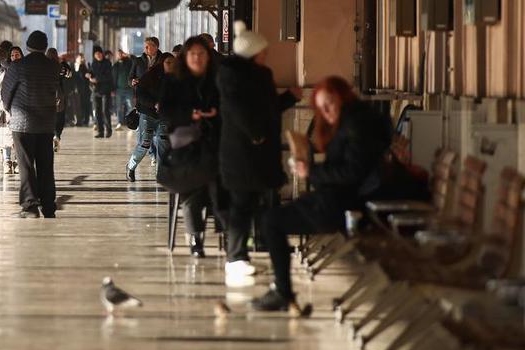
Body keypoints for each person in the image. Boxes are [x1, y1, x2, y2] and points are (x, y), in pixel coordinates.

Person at [252, 77, 392, 311]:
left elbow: (352, 172)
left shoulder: (355, 125)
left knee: (271, 222)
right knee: (271, 220)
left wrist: (311, 172)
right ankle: (282, 290)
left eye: (330, 104)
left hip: (344, 207)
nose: (326, 112)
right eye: (321, 108)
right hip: (343, 201)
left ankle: (283, 292)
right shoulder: (355, 121)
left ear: (342, 97)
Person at [215, 21, 302, 283]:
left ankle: (260, 244)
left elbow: (268, 108)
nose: (266, 55)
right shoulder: (232, 76)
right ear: (252, 52)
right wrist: (256, 134)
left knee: (258, 201)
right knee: (241, 204)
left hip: (260, 151)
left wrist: (289, 98)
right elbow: (238, 110)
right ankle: (235, 257)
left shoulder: (260, 74)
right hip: (241, 151)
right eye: (263, 51)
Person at [158, 37, 220, 257]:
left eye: (201, 53)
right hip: (185, 146)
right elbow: (165, 112)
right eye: (192, 54)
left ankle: (228, 234)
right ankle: (195, 236)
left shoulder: (216, 79)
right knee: (192, 186)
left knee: (219, 183)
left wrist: (214, 114)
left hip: (213, 143)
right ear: (185, 56)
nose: (197, 58)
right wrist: (189, 115)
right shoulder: (173, 81)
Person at [1, 31, 64, 218]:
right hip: (46, 123)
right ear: (45, 46)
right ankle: (48, 206)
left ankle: (30, 206)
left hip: (22, 124)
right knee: (46, 166)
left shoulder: (18, 66)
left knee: (26, 165)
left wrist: (11, 110)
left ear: (28, 46)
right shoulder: (53, 67)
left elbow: (6, 94)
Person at [127, 50, 169, 181]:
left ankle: (161, 173)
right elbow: (140, 95)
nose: (171, 65)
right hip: (147, 114)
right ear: (162, 63)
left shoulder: (175, 78)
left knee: (163, 143)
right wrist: (154, 104)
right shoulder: (149, 76)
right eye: (168, 62)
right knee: (144, 144)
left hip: (163, 116)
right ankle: (131, 167)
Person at [0, 46, 23, 174]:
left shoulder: (24, 69)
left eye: (17, 54)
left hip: (20, 108)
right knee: (5, 137)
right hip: (4, 108)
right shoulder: (3, 70)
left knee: (19, 137)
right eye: (12, 55)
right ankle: (7, 161)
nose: (14, 57)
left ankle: (18, 161)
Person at [86, 46, 115, 138]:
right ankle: (100, 131)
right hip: (95, 90)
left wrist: (97, 79)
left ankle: (109, 130)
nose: (98, 55)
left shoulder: (107, 63)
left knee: (105, 111)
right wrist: (89, 74)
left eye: (99, 53)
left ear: (102, 54)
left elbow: (109, 76)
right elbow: (91, 72)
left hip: (106, 90)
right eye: (96, 54)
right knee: (97, 111)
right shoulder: (93, 63)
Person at [46, 47, 71, 151]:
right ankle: (57, 135)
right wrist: (64, 63)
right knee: (60, 116)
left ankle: (50, 137)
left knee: (48, 117)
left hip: (46, 93)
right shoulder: (61, 66)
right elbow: (69, 75)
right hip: (59, 93)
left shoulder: (43, 65)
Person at [112, 50, 134, 130]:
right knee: (119, 107)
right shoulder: (115, 65)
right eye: (118, 54)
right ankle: (119, 123)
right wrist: (113, 89)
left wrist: (129, 55)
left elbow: (135, 60)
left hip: (129, 89)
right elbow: (113, 78)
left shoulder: (129, 62)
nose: (120, 55)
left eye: (121, 54)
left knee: (130, 107)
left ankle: (130, 122)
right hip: (119, 89)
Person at [72, 56, 92, 127]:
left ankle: (85, 120)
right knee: (78, 106)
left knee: (85, 105)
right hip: (77, 89)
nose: (82, 59)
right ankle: (79, 120)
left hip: (85, 89)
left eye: (82, 58)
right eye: (80, 58)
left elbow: (86, 76)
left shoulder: (85, 66)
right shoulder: (73, 66)